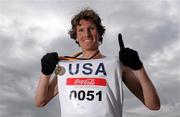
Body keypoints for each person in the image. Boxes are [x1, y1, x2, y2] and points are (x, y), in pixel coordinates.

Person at [35, 8, 160, 117]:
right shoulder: (65, 66)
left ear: (99, 33)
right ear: (76, 36)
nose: (87, 34)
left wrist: (138, 67)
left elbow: (153, 105)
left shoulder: (116, 63)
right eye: (81, 30)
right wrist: (45, 72)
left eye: (91, 28)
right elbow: (40, 102)